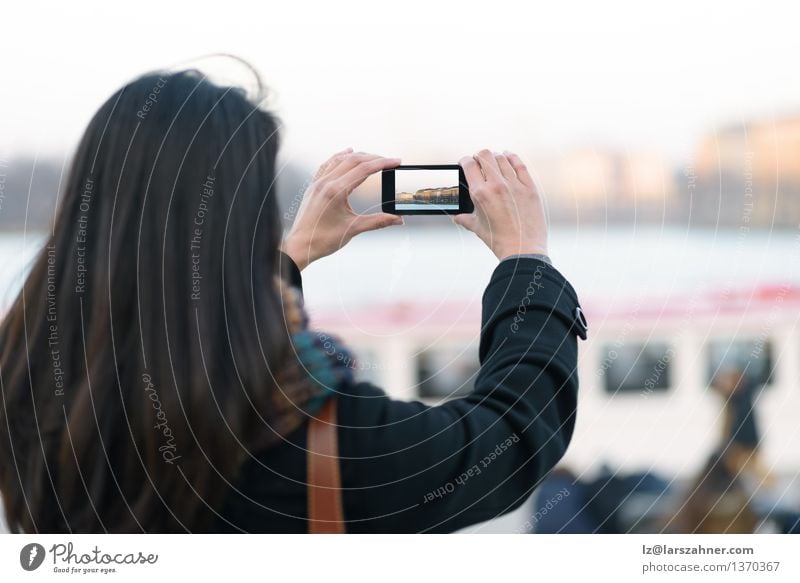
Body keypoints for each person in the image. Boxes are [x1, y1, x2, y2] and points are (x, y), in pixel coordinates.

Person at [0, 67, 586, 533]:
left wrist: (290, 258)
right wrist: (525, 262)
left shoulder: (32, 388)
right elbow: (505, 441)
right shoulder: (300, 435)